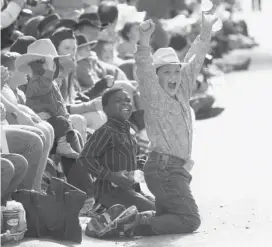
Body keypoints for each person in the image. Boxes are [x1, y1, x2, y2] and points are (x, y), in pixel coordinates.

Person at [129, 12, 217, 236]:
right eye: (166, 72)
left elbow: (194, 60)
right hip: (163, 170)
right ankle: (132, 225)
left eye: (176, 71)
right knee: (190, 220)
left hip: (175, 169)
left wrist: (205, 32)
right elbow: (144, 69)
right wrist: (145, 39)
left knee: (173, 217)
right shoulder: (153, 94)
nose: (173, 76)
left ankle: (138, 218)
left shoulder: (183, 90)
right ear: (157, 77)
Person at [77, 87, 155, 212]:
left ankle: (123, 218)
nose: (125, 103)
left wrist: (144, 164)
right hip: (111, 193)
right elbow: (84, 158)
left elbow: (131, 159)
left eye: (128, 100)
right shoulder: (105, 131)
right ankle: (107, 215)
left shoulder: (129, 132)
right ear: (105, 109)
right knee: (154, 212)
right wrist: (110, 175)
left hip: (132, 190)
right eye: (118, 100)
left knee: (163, 206)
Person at [15, 38, 80, 158]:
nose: (52, 66)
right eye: (48, 63)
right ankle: (62, 145)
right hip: (41, 117)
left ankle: (68, 163)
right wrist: (49, 72)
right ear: (36, 66)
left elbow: (59, 102)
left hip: (54, 117)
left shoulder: (53, 83)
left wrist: (66, 116)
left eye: (53, 62)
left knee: (68, 127)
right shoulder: (33, 80)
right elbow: (40, 89)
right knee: (62, 124)